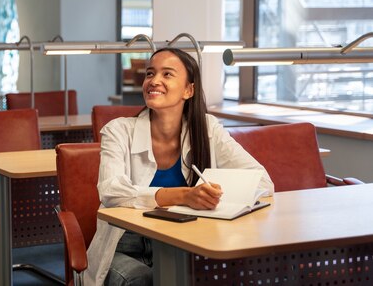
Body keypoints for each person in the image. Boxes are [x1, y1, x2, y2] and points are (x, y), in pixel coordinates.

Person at [85, 48, 274, 285]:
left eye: (167, 74)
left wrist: (213, 195)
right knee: (142, 280)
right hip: (125, 245)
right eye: (150, 73)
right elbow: (111, 191)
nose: (154, 81)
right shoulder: (119, 130)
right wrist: (184, 196)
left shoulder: (206, 127)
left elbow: (262, 182)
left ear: (188, 90)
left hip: (182, 242)